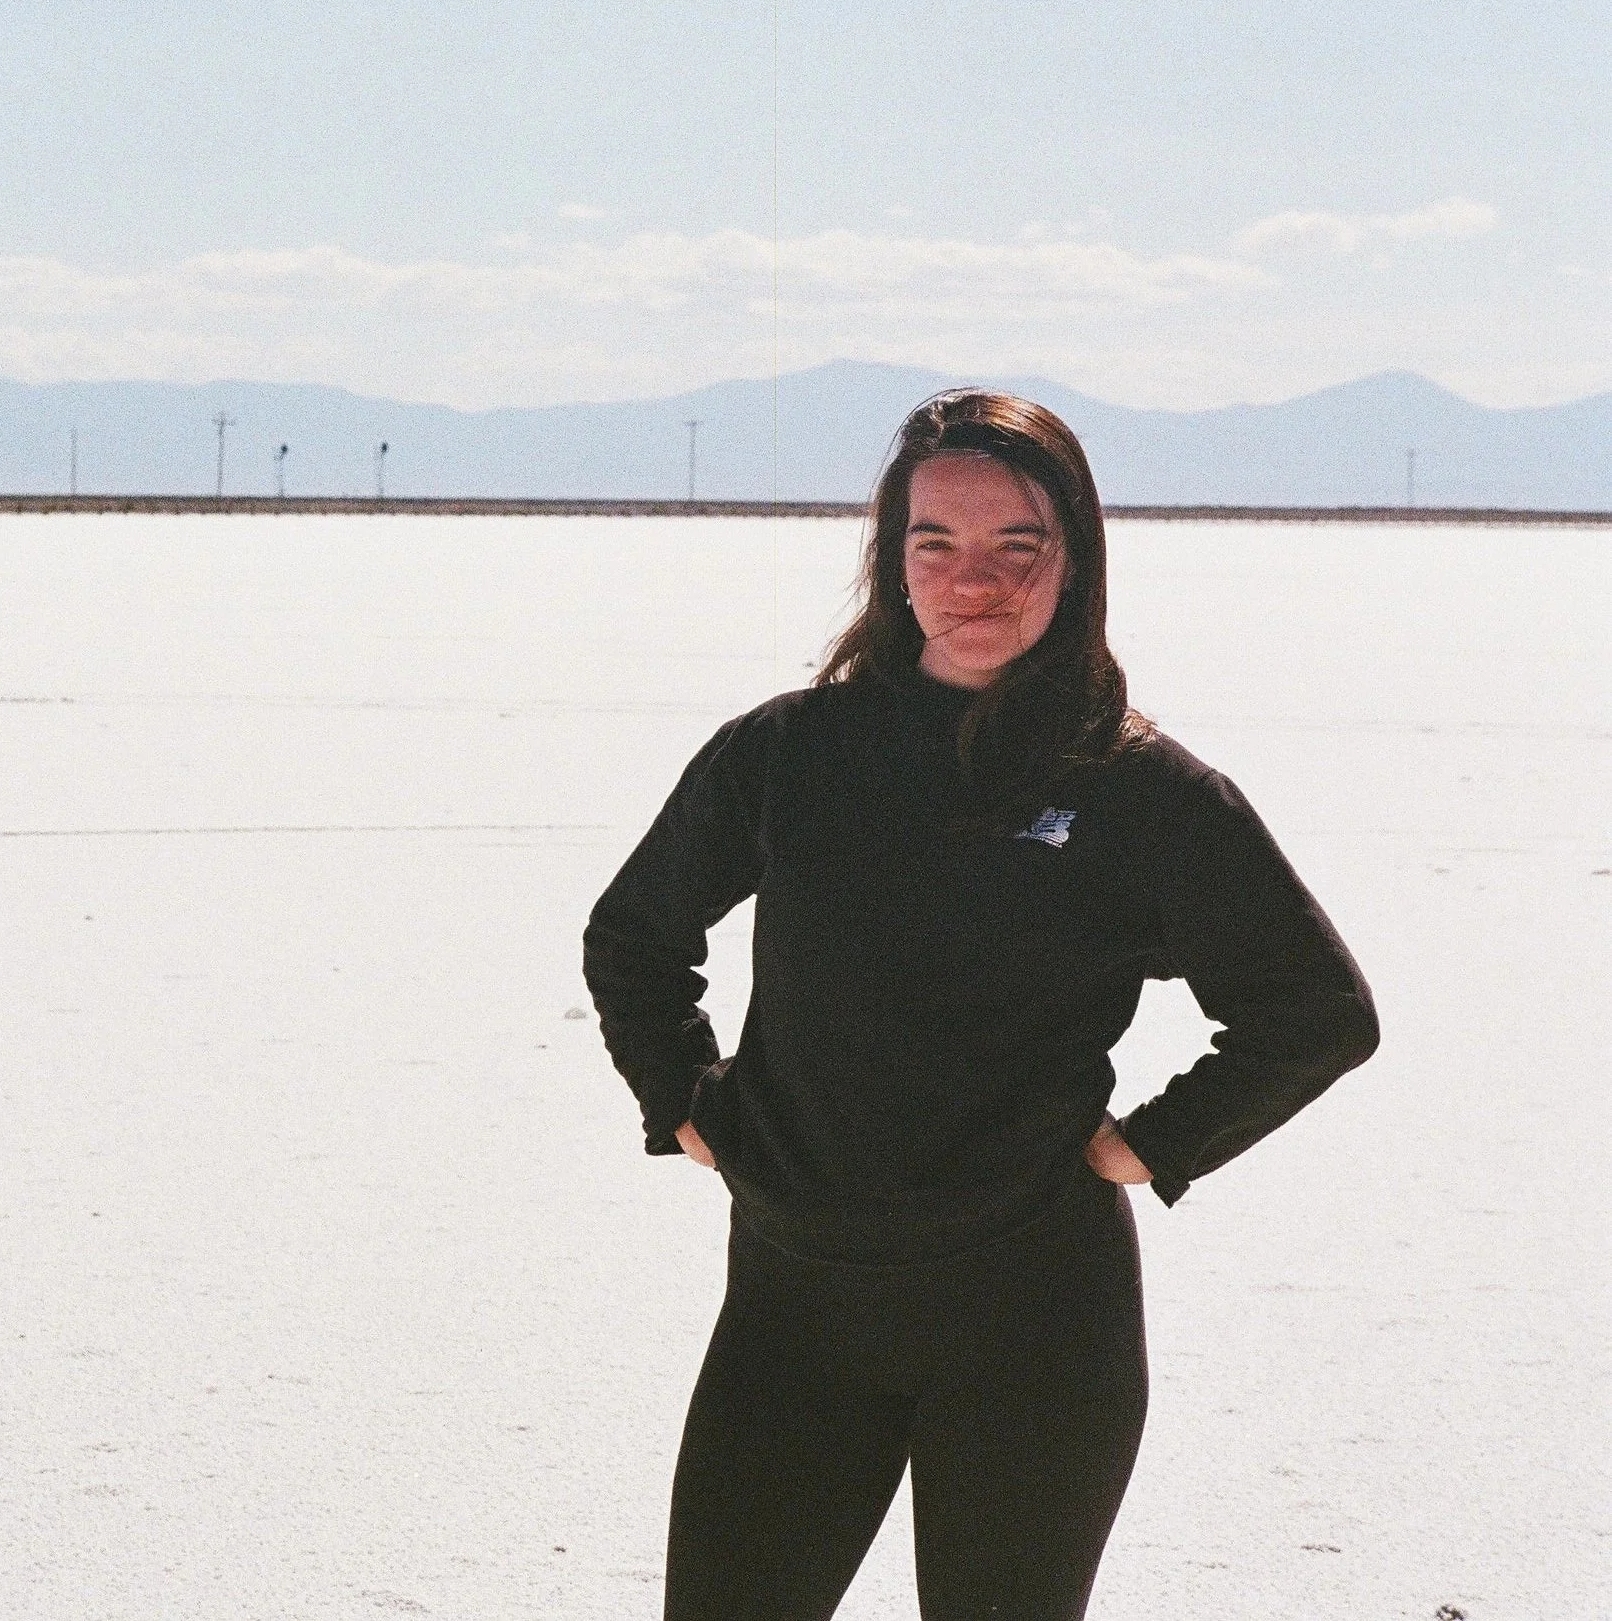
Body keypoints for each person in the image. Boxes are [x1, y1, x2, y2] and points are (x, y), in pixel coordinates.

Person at [583, 389, 1379, 1621]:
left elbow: (1314, 1009)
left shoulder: (1135, 787)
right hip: (795, 1314)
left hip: (1032, 1325)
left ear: (1076, 559)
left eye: (1017, 543)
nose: (974, 581)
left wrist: (1150, 1143)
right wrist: (681, 1098)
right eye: (935, 542)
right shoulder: (790, 752)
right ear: (890, 561)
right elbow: (634, 935)